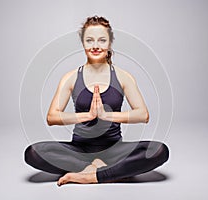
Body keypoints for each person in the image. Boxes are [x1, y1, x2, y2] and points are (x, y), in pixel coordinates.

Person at [24, 15, 169, 186]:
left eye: (101, 40)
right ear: (83, 43)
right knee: (32, 153)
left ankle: (90, 175)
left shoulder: (123, 77)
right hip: (79, 151)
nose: (95, 46)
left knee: (159, 150)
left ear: (109, 43)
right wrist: (87, 115)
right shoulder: (70, 78)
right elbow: (52, 117)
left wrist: (107, 116)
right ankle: (108, 171)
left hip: (115, 150)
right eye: (89, 40)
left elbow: (143, 114)